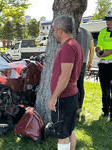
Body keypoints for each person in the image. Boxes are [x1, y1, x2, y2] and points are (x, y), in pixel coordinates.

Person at [48, 15, 84, 150]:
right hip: (70, 95)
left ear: (60, 31)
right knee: (69, 131)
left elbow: (65, 76)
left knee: (62, 136)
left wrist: (54, 97)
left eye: (55, 30)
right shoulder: (75, 44)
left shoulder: (68, 47)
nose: (54, 33)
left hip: (63, 98)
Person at [95, 8, 112, 121]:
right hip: (103, 65)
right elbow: (99, 47)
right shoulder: (102, 32)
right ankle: (105, 110)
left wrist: (108, 51)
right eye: (107, 20)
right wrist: (98, 51)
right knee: (105, 89)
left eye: (110, 20)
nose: (108, 22)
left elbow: (109, 51)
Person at [76, 27, 95, 111]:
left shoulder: (75, 31)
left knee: (72, 84)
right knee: (80, 84)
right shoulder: (88, 33)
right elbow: (92, 49)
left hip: (74, 62)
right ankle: (80, 105)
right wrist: (90, 62)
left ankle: (74, 105)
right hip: (83, 62)